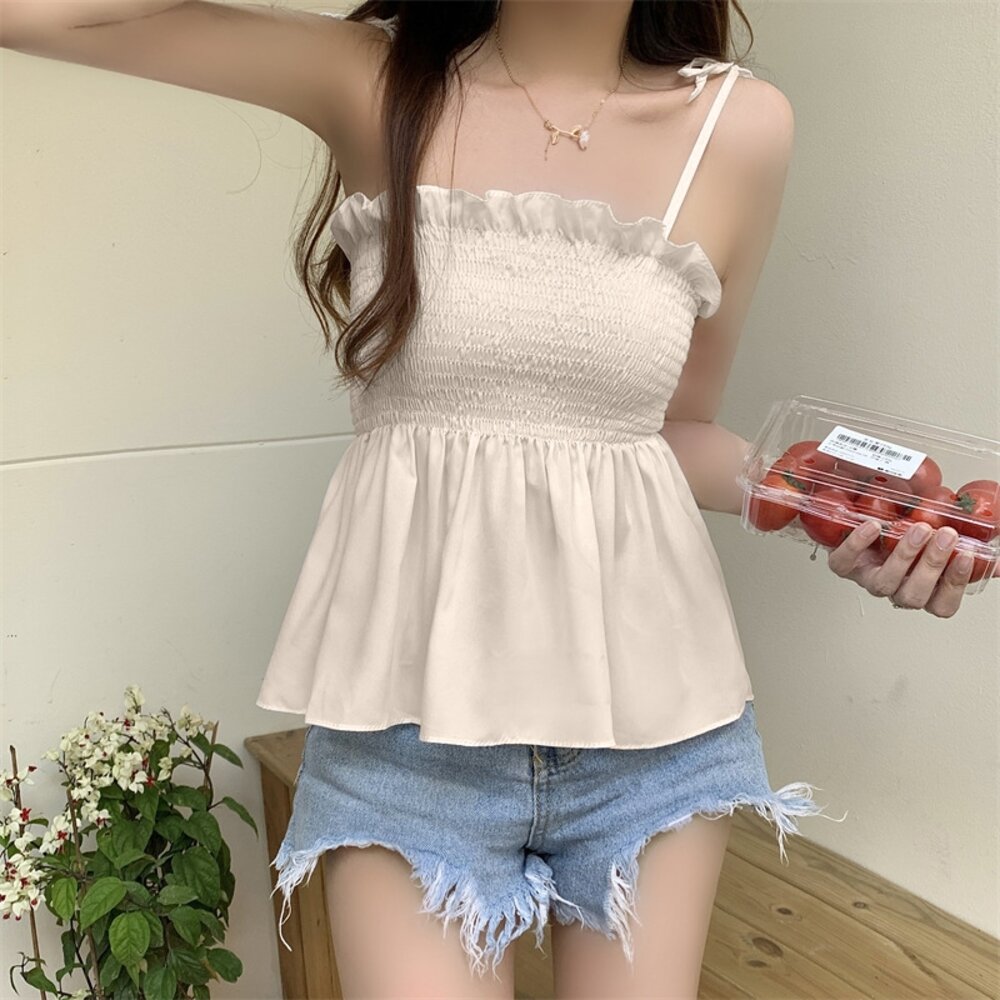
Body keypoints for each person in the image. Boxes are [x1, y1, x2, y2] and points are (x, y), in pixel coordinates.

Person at [4, 1, 992, 996]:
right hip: (409, 733)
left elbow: (672, 430)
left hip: (652, 728)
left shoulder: (741, 126)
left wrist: (839, 506)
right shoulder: (372, 81)